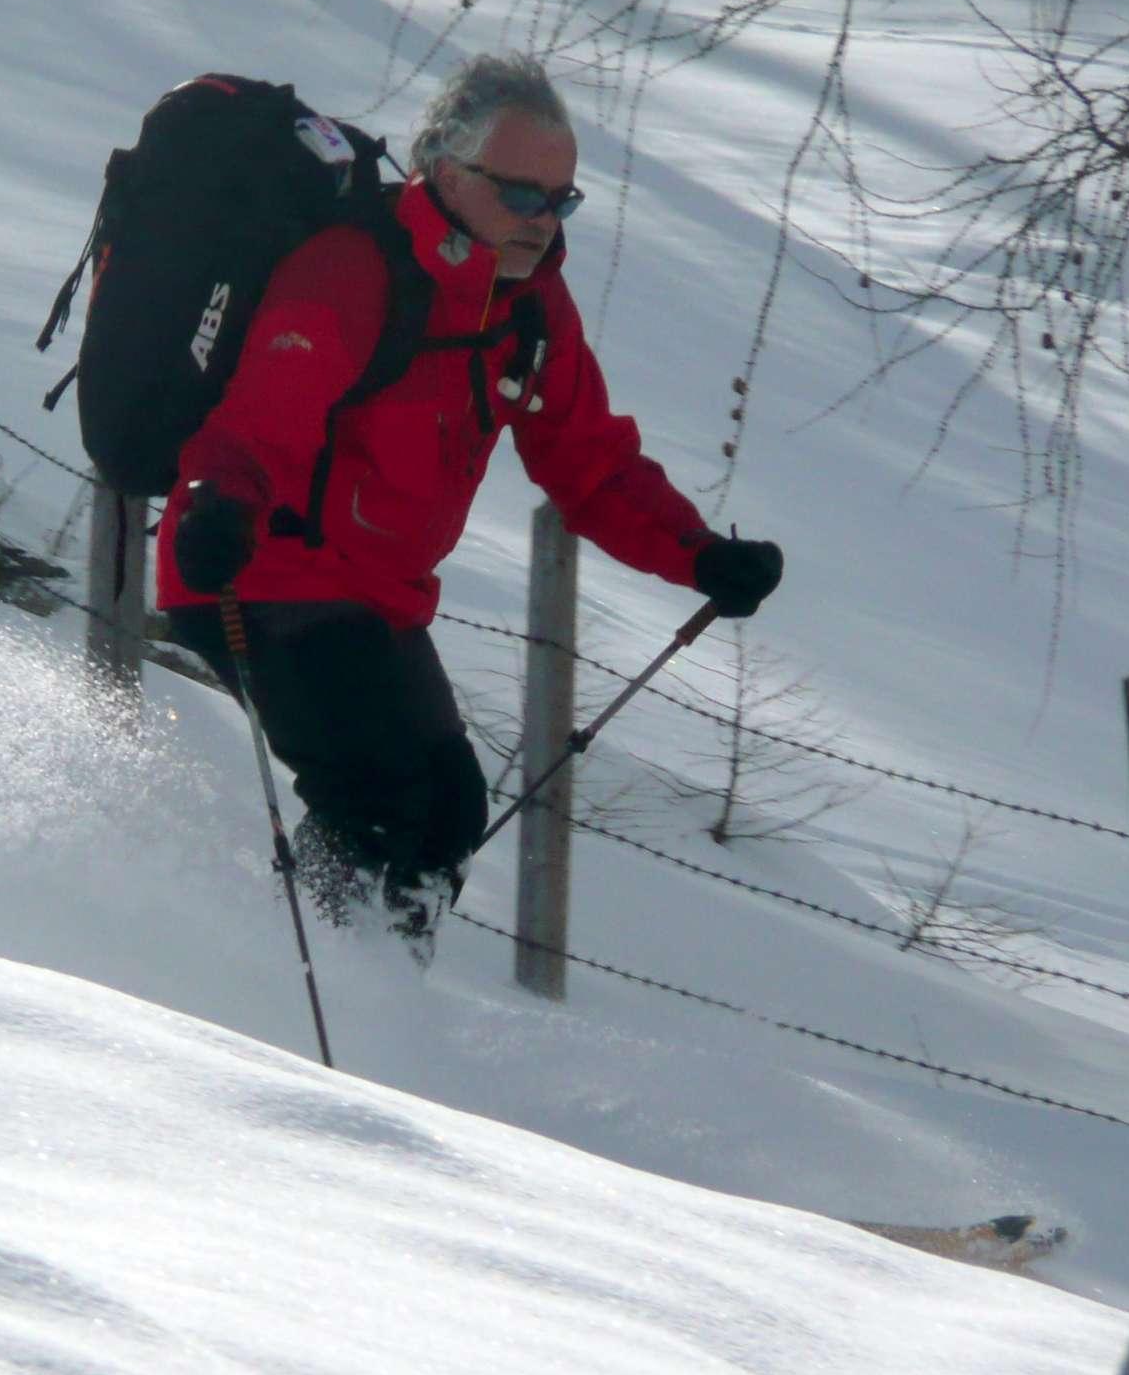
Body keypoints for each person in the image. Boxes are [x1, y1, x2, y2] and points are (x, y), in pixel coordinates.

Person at [157, 54, 783, 955]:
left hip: (377, 597)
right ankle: (298, 985)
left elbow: (591, 463)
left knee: (447, 807)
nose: (542, 220)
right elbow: (260, 422)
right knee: (381, 799)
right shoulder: (355, 268)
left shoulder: (528, 307)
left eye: (561, 201)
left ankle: (377, 986)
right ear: (448, 174)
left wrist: (700, 554)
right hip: (258, 567)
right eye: (522, 194)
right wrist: (219, 504)